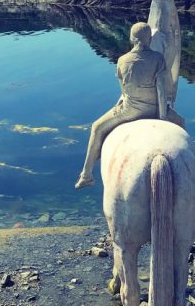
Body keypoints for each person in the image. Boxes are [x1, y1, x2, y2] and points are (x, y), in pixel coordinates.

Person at [75, 21, 175, 189]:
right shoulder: (158, 58)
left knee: (97, 127)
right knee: (182, 122)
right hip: (155, 109)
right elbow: (161, 89)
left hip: (130, 111)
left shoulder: (123, 61)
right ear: (149, 38)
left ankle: (86, 174)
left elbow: (124, 90)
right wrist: (163, 117)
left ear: (132, 39)